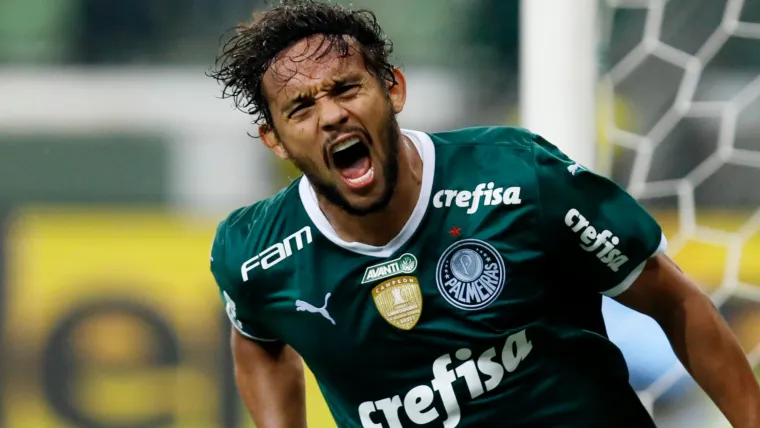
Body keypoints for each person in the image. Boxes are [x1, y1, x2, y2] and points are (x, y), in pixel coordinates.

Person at [206, 1, 760, 427]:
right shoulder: (254, 254)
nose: (331, 116)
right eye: (300, 108)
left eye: (347, 89)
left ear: (393, 89)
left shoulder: (518, 178)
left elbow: (672, 297)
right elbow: (257, 341)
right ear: (273, 139)